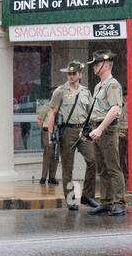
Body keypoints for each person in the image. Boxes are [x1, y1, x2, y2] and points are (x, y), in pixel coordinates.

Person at [46, 61, 98, 211]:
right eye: (69, 73)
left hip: (83, 130)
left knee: (92, 160)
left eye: (74, 73)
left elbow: (90, 113)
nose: (71, 76)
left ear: (80, 74)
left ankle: (88, 196)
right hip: (66, 132)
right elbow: (52, 113)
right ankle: (70, 200)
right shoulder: (60, 91)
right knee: (68, 168)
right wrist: (50, 135)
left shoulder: (85, 92)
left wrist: (92, 130)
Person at [86, 49, 126, 217]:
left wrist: (101, 128)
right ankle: (106, 202)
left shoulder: (113, 84)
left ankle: (119, 203)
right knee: (102, 168)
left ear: (105, 65)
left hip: (107, 130)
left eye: (96, 64)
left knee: (113, 168)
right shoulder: (98, 86)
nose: (94, 67)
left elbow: (115, 108)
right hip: (98, 129)